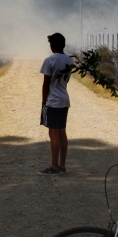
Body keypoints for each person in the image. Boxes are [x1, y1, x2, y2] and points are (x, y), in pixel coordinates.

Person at [39, 32, 74, 175]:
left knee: (53, 134)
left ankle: (53, 167)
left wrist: (43, 102)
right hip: (64, 99)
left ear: (52, 46)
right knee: (62, 133)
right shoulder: (69, 60)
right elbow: (67, 80)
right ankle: (62, 165)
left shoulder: (50, 60)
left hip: (53, 101)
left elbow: (46, 84)